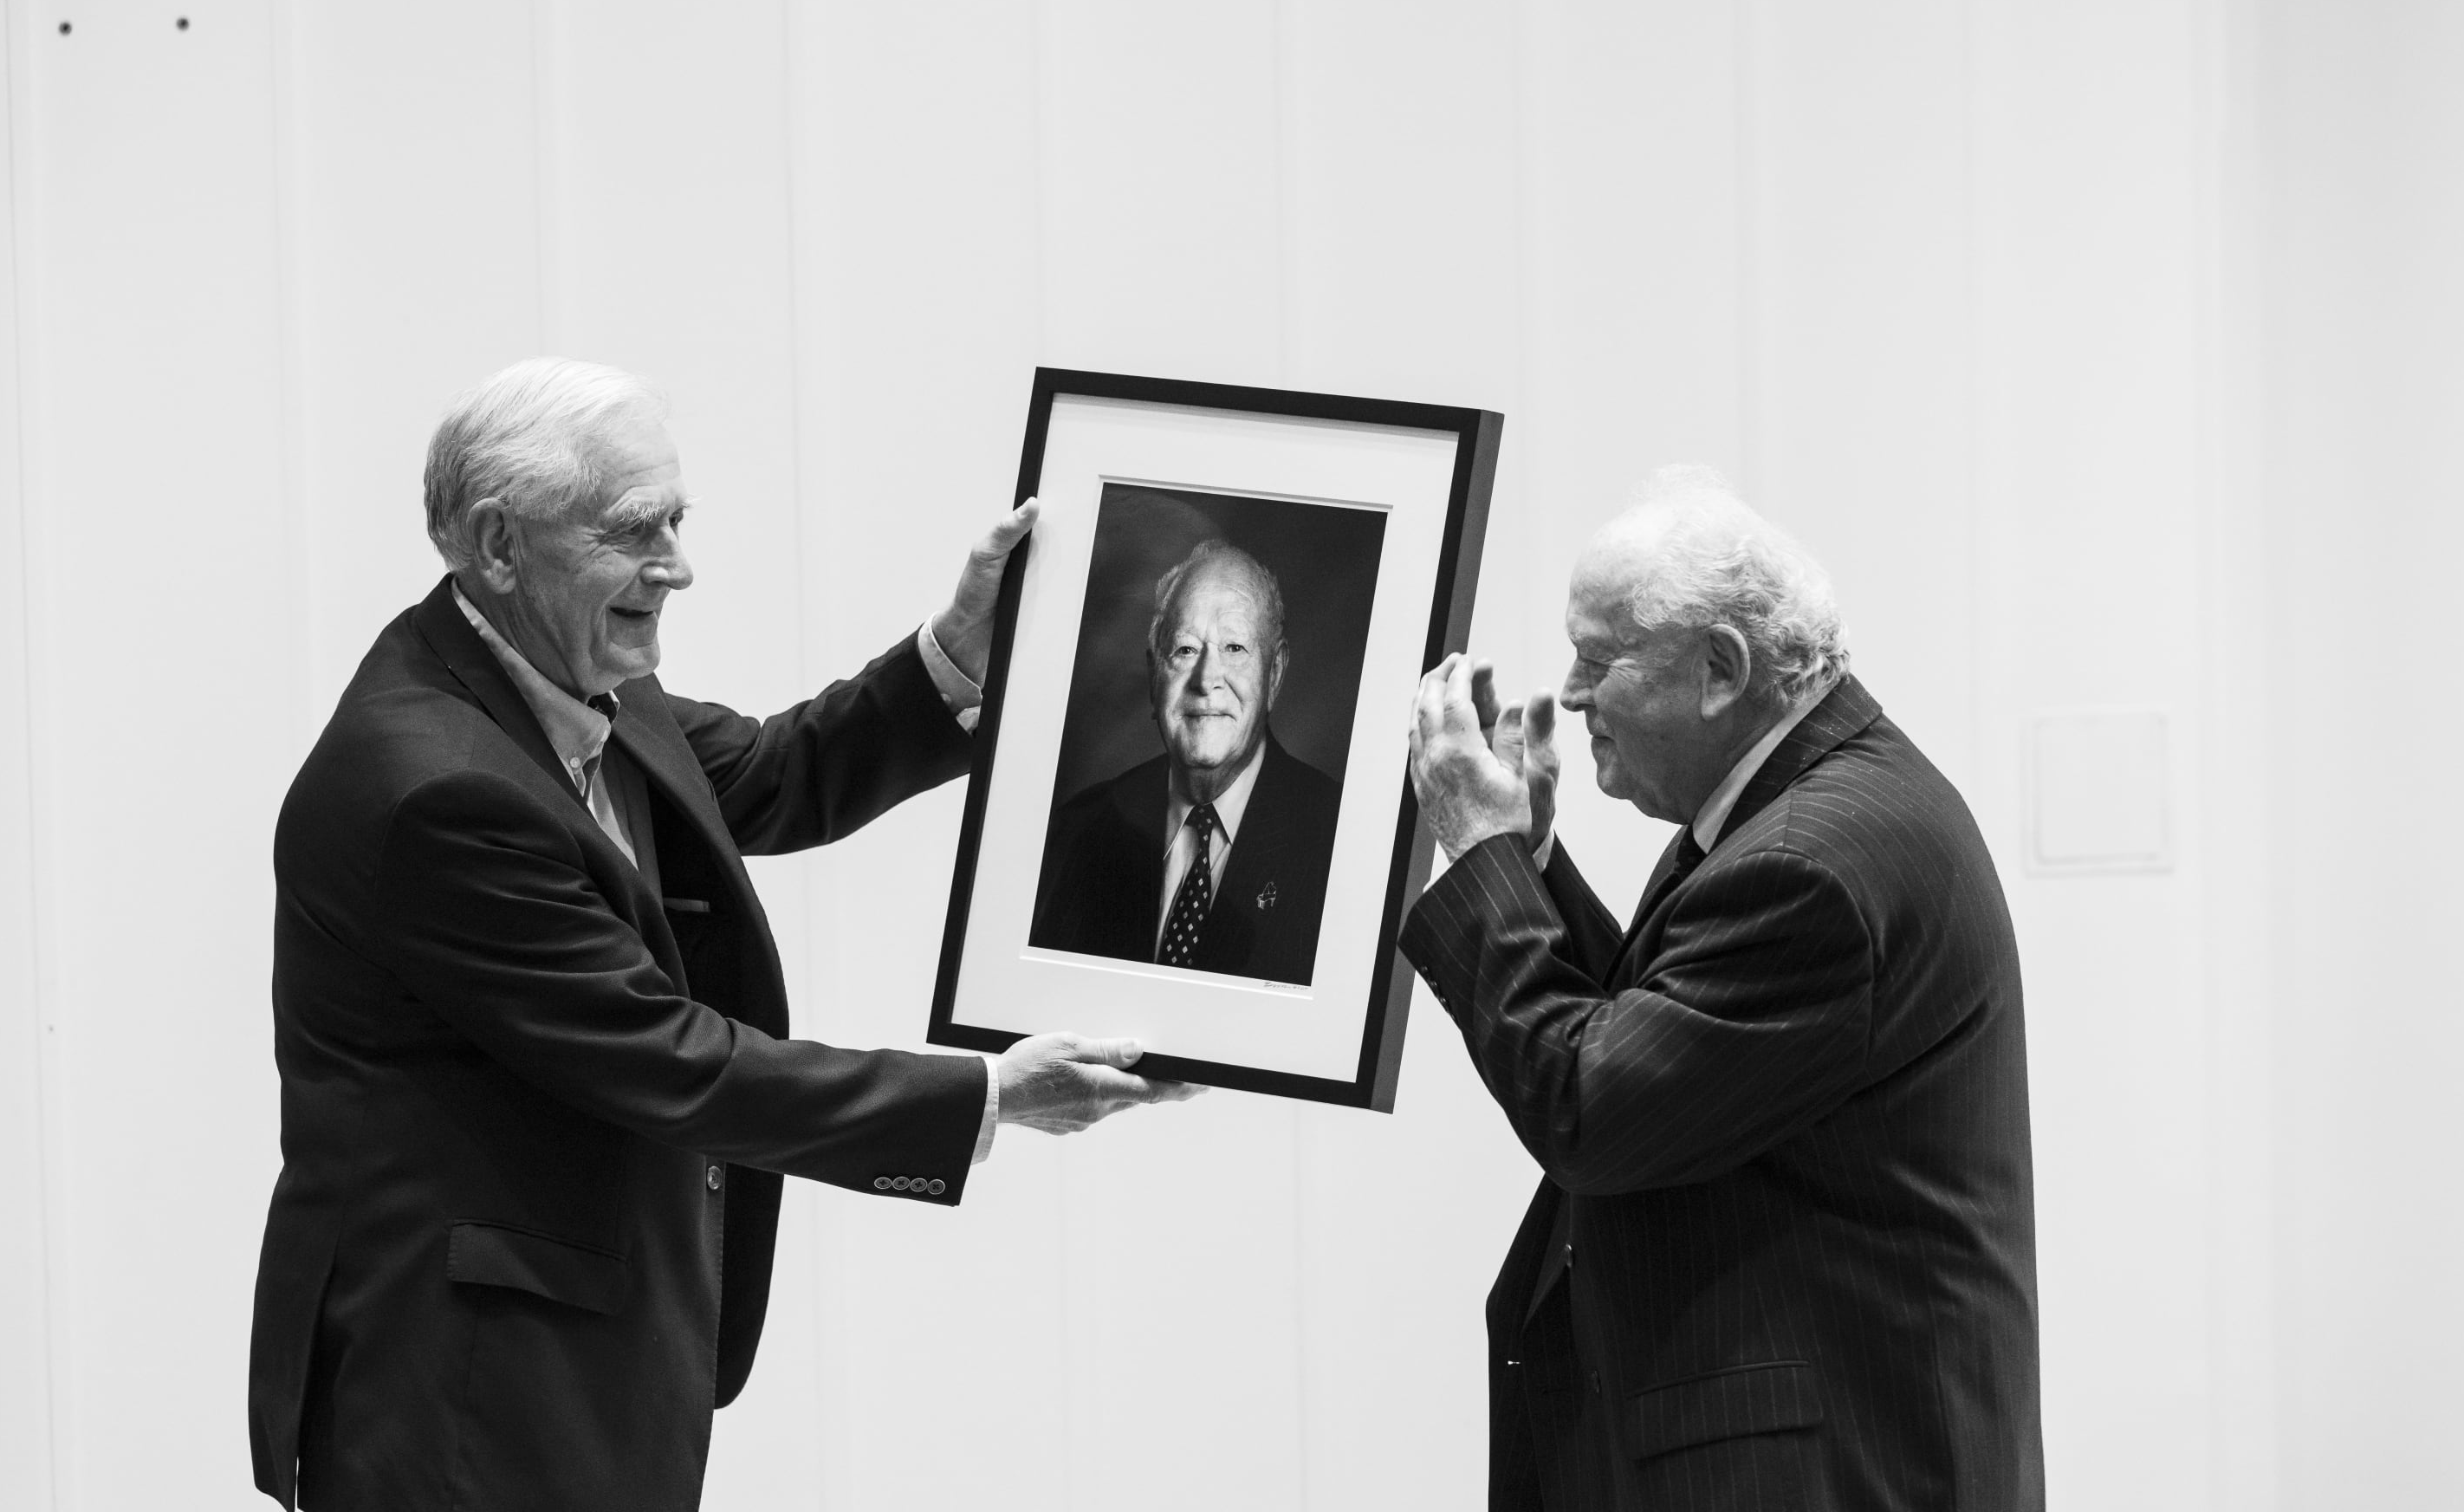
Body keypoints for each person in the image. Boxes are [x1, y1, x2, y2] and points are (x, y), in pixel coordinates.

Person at [247, 358, 1190, 1511]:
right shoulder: (434, 790)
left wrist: (957, 647)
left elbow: (777, 773)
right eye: (636, 533)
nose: (679, 568)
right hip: (464, 1396)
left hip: (571, 1354)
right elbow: (667, 1058)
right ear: (498, 544)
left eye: (677, 522)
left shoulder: (558, 668)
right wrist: (987, 1099)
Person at [1401, 467, 2043, 1510]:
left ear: (1720, 667)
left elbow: (1594, 1104)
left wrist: (1478, 855)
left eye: (1600, 657)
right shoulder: (1802, 808)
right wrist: (1526, 855)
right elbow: (1662, 1035)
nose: (1568, 692)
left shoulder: (1814, 861)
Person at [1029, 539, 1343, 984]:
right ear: (1154, 674)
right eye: (1186, 650)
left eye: (1235, 648)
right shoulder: (1077, 833)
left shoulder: (1339, 840)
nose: (1206, 680)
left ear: (1274, 675)